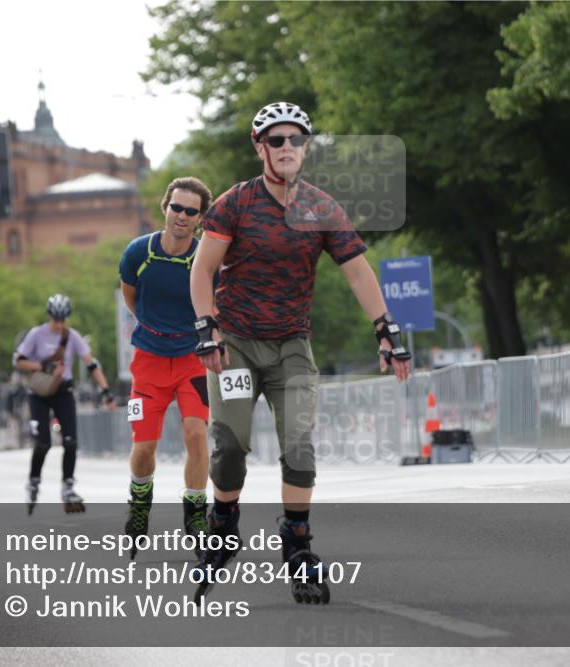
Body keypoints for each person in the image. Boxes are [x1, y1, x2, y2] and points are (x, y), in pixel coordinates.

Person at [189, 101, 412, 604]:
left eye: (295, 140)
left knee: (300, 449)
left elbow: (356, 270)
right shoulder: (235, 204)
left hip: (291, 344)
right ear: (259, 146)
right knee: (228, 450)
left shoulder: (322, 208)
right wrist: (207, 329)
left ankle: (297, 545)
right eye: (276, 140)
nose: (286, 148)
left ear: (306, 146)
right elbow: (202, 271)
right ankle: (223, 524)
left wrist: (387, 329)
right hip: (236, 347)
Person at [118, 176, 214, 558]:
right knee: (144, 447)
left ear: (200, 218)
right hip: (149, 362)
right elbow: (132, 299)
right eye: (177, 207)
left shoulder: (205, 257)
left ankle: (196, 514)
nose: (182, 216)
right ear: (165, 206)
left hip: (193, 359)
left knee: (196, 435)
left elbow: (213, 306)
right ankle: (139, 503)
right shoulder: (138, 253)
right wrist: (157, 330)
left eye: (192, 211)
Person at [13, 294, 117, 513]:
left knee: (70, 441)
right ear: (49, 316)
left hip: (63, 391)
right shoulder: (36, 334)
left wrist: (105, 391)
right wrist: (43, 366)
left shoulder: (73, 337)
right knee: (43, 443)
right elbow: (18, 360)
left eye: (63, 320)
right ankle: (33, 482)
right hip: (39, 394)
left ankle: (68, 486)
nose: (59, 324)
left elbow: (91, 364)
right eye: (55, 319)